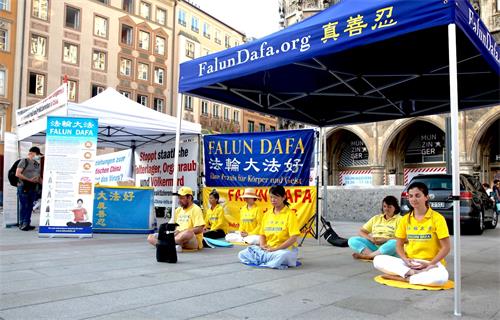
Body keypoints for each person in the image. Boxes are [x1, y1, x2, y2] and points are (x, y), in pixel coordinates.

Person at [373, 182, 451, 286]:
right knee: (378, 260)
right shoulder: (405, 219)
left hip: (431, 262)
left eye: (418, 195)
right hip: (410, 262)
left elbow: (446, 247)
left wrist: (430, 264)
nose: (414, 199)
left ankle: (405, 278)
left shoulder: (437, 218)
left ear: (426, 197)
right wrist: (405, 259)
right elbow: (399, 244)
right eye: (411, 196)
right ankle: (413, 274)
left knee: (441, 279)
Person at [238, 186, 301, 269]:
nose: (272, 200)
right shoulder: (267, 214)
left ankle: (264, 259)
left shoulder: (290, 214)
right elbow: (262, 234)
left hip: (283, 250)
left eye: (276, 197)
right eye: (271, 197)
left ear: (284, 197)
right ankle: (267, 260)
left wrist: (276, 249)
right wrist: (263, 245)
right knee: (242, 254)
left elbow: (293, 238)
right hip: (269, 249)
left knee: (282, 256)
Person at [148, 186, 205, 251]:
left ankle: (165, 245)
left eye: (182, 198)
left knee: (188, 232)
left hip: (192, 240)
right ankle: (170, 246)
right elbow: (170, 225)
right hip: (176, 237)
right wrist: (169, 232)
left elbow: (200, 229)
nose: (179, 200)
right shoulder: (178, 210)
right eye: (179, 198)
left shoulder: (196, 209)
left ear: (189, 198)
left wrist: (181, 232)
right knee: (150, 237)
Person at [348, 196, 402, 260]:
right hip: (374, 245)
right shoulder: (376, 218)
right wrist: (371, 239)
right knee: (352, 240)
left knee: (395, 243)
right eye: (384, 206)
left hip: (389, 247)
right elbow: (361, 231)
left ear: (395, 208)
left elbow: (404, 238)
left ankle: (369, 256)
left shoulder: (401, 219)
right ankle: (373, 256)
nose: (386, 209)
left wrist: (386, 240)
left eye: (389, 207)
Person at [16, 146, 43, 231]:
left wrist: (44, 184)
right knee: (24, 205)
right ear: (32, 153)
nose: (38, 156)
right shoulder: (24, 161)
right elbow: (18, 173)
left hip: (33, 187)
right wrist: (29, 180)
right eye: (37, 154)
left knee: (30, 205)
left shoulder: (36, 163)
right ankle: (23, 224)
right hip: (23, 186)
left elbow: (38, 177)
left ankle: (26, 223)